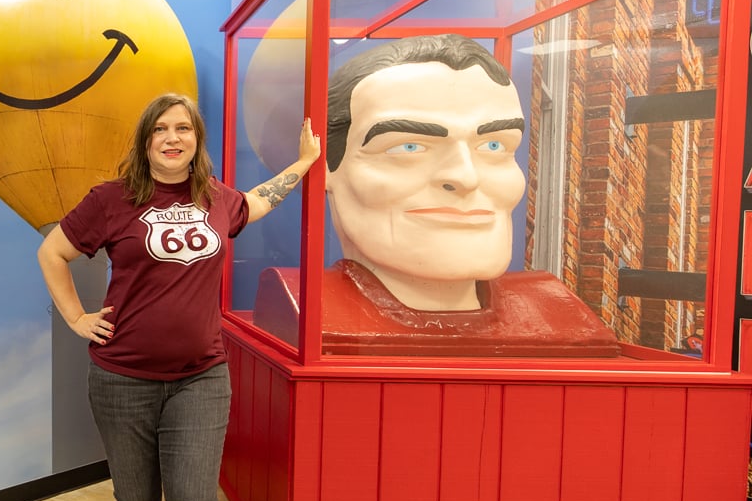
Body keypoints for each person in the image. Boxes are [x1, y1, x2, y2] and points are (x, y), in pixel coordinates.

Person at [37, 93, 320, 501]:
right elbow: (53, 252)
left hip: (200, 380)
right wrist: (75, 318)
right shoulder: (111, 200)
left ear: (196, 139)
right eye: (161, 129)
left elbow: (260, 201)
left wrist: (304, 165)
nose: (173, 137)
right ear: (145, 142)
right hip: (121, 381)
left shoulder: (218, 201)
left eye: (183, 128)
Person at [253, 33, 618, 355]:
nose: (465, 176)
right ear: (328, 168)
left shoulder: (555, 313)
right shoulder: (305, 308)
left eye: (493, 145)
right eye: (408, 147)